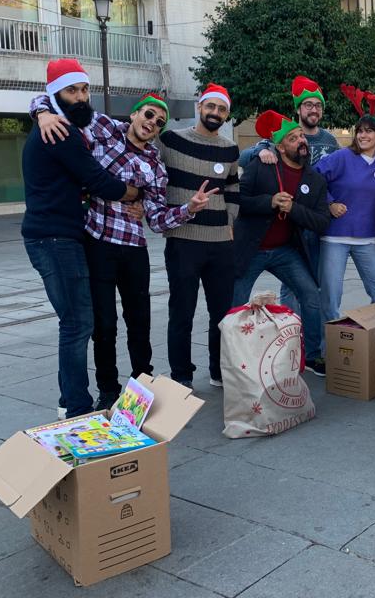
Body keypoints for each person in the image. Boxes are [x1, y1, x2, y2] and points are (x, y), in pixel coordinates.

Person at [30, 90, 215, 407]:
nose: (152, 123)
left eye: (158, 122)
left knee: (139, 321)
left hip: (133, 249)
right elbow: (55, 99)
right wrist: (41, 114)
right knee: (103, 325)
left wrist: (190, 208)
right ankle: (108, 390)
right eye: (148, 115)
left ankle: (141, 386)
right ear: (133, 114)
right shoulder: (103, 128)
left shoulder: (155, 165)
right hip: (97, 242)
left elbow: (156, 220)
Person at [21, 59, 139, 418]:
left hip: (57, 236)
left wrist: (40, 109)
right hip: (55, 238)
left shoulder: (63, 122)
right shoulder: (61, 133)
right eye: (72, 90)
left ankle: (67, 399)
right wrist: (136, 194)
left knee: (74, 321)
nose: (81, 97)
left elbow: (123, 128)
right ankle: (76, 407)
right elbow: (97, 179)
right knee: (77, 323)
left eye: (85, 89)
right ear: (56, 94)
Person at [232, 110, 331, 376]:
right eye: (293, 137)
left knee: (310, 294)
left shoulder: (315, 179)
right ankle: (232, 359)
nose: (301, 141)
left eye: (302, 136)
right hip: (251, 249)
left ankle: (312, 355)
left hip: (285, 251)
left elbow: (321, 221)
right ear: (280, 146)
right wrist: (269, 202)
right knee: (236, 303)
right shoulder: (262, 166)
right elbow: (239, 200)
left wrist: (294, 208)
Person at [158, 84, 241, 388]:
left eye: (221, 109)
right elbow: (152, 175)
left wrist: (231, 219)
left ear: (227, 114)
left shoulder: (230, 148)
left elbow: (233, 187)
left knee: (222, 313)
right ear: (199, 107)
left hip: (221, 242)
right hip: (183, 240)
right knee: (182, 312)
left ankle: (219, 371)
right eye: (211, 107)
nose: (215, 113)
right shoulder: (170, 140)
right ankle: (181, 376)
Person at [315, 110, 375, 321]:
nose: (363, 135)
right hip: (335, 238)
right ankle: (326, 348)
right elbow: (313, 178)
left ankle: (374, 339)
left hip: (368, 239)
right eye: (360, 131)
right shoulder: (342, 157)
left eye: (369, 132)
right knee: (331, 297)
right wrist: (329, 203)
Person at [238, 75, 339, 168]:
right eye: (308, 105)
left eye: (318, 105)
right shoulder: (286, 135)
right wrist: (261, 151)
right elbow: (243, 158)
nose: (314, 110)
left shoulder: (331, 140)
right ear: (298, 109)